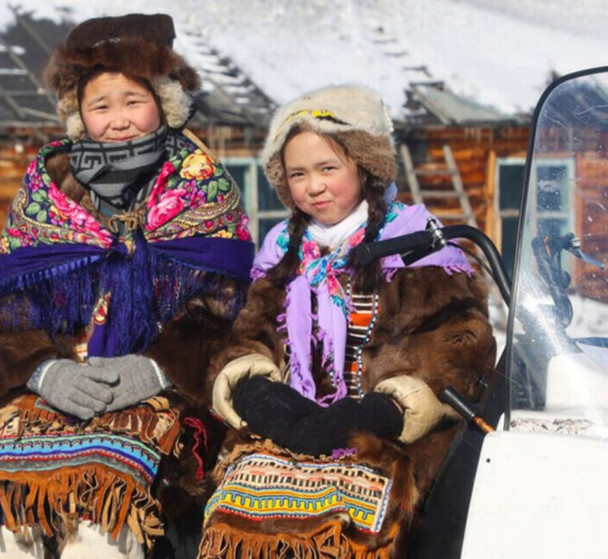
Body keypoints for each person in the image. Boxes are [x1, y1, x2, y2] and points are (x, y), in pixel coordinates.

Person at [0, 13, 254, 559]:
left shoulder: (201, 186)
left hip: (162, 397)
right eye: (99, 105)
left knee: (101, 526)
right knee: (11, 518)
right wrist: (42, 368)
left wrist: (157, 367)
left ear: (164, 102)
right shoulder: (48, 189)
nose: (117, 120)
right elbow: (10, 310)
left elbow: (225, 309)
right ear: (78, 114)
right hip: (54, 391)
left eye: (133, 101)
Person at [200, 85, 497, 558]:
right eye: (297, 174)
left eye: (327, 169)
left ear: (365, 166)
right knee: (238, 515)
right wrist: (257, 389)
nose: (313, 186)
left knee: (352, 529)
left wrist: (378, 410)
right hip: (293, 425)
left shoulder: (413, 242)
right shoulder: (283, 249)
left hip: (386, 432)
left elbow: (460, 344)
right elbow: (250, 331)